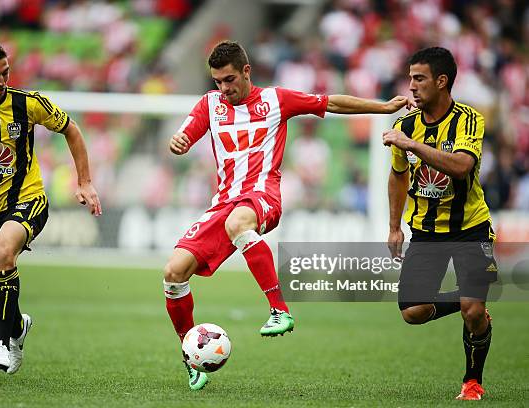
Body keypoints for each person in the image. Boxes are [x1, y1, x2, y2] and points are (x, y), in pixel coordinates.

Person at [165, 40, 411, 390]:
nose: (224, 88)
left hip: (263, 195)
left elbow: (330, 102)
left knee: (238, 222)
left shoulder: (275, 100)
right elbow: (187, 132)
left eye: (230, 79)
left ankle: (279, 310)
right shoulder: (210, 104)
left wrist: (382, 107)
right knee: (173, 273)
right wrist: (180, 141)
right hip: (223, 203)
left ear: (247, 72)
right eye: (218, 81)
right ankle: (190, 356)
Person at [0, 37, 102, 374]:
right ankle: (16, 327)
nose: (2, 81)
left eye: (6, 73)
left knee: (1, 256)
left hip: (27, 198)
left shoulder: (28, 103)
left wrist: (84, 181)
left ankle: (1, 343)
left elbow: (71, 129)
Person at [383, 47, 496, 401]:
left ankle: (472, 382)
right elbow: (399, 175)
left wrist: (410, 144)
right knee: (413, 313)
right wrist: (394, 226)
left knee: (472, 311)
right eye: (410, 78)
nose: (412, 86)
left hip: (471, 228)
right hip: (427, 233)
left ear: (441, 81)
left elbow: (461, 166)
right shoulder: (405, 125)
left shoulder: (468, 119)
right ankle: (469, 299)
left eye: (419, 78)